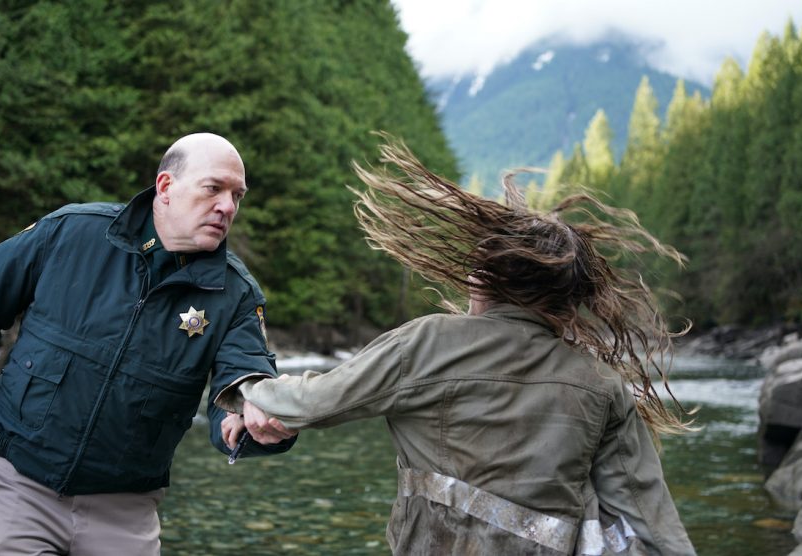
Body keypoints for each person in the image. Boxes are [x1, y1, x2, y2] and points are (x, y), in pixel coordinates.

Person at [217, 140, 696, 555]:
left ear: (485, 279)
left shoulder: (428, 342)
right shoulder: (601, 382)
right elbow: (650, 517)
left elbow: (313, 402)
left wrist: (244, 393)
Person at [0, 133, 295, 555]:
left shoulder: (236, 294)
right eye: (214, 188)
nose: (227, 206)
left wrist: (250, 422)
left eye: (237, 196)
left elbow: (244, 380)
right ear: (166, 186)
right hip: (17, 482)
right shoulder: (70, 233)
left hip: (126, 508)